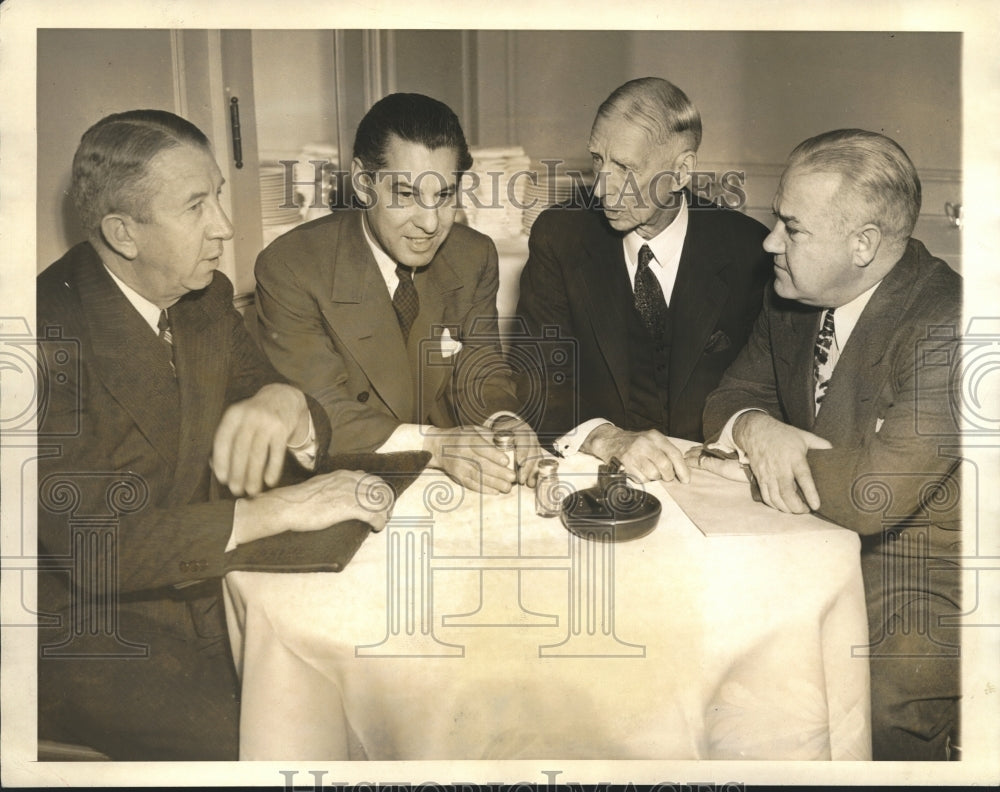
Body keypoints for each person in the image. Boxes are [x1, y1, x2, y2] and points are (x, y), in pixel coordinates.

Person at [36, 109, 391, 760]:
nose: (224, 229)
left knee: (373, 681)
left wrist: (282, 401)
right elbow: (101, 547)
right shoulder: (38, 335)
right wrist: (278, 508)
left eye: (218, 197)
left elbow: (270, 396)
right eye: (196, 206)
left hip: (210, 586)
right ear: (123, 233)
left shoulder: (203, 298)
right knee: (272, 740)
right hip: (80, 627)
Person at [700, 129, 963, 761]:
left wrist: (766, 443)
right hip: (810, 537)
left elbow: (873, 495)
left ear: (863, 245)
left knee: (884, 712)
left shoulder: (952, 325)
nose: (769, 243)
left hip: (917, 566)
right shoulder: (791, 297)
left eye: (792, 228)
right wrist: (754, 427)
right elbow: (723, 399)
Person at [255, 92, 542, 494]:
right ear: (362, 181)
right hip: (339, 484)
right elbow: (318, 411)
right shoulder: (291, 266)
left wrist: (502, 421)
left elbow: (482, 372)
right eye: (406, 195)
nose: (430, 223)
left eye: (443, 196)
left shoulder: (473, 255)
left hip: (443, 486)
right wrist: (435, 444)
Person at [514, 77, 772, 483]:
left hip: (710, 482)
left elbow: (767, 394)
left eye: (626, 169)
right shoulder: (560, 235)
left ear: (682, 170)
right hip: (596, 474)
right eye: (597, 159)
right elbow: (536, 379)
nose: (601, 188)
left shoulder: (751, 251)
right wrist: (607, 438)